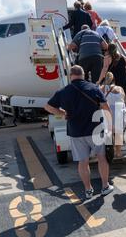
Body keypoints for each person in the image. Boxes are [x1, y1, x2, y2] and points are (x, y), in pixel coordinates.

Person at [44, 65, 114, 199]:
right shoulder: (93, 88)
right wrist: (110, 126)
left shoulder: (63, 91)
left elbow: (47, 107)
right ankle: (105, 186)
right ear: (83, 75)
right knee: (101, 158)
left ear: (70, 76)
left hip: (76, 132)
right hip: (95, 131)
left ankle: (88, 190)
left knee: (83, 162)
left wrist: (61, 113)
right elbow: (106, 107)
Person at [97, 43, 126, 107]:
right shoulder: (122, 57)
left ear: (108, 49)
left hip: (114, 82)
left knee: (115, 101)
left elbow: (104, 69)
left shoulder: (107, 58)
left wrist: (99, 80)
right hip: (124, 80)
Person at [100, 72, 126, 158]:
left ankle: (110, 151)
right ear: (114, 79)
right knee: (118, 132)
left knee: (109, 132)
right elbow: (124, 100)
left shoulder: (102, 88)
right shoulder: (120, 88)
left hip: (108, 111)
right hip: (119, 110)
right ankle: (118, 152)